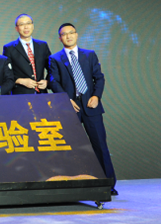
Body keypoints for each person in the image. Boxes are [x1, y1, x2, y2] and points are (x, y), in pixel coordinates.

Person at [49, 23, 117, 195]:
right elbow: (54, 82)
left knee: (100, 145)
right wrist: (66, 99)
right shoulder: (55, 58)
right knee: (72, 148)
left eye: (71, 33)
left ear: (76, 35)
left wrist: (96, 96)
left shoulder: (89, 54)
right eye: (64, 34)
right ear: (60, 38)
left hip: (91, 107)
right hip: (70, 108)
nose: (68, 36)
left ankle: (108, 184)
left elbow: (99, 78)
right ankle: (74, 184)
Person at [3, 14, 51, 95]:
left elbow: (52, 68)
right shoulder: (9, 48)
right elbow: (6, 73)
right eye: (22, 24)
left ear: (33, 26)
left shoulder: (42, 45)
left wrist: (47, 81)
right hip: (20, 94)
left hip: (41, 93)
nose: (26, 27)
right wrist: (20, 81)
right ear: (16, 28)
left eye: (28, 23)